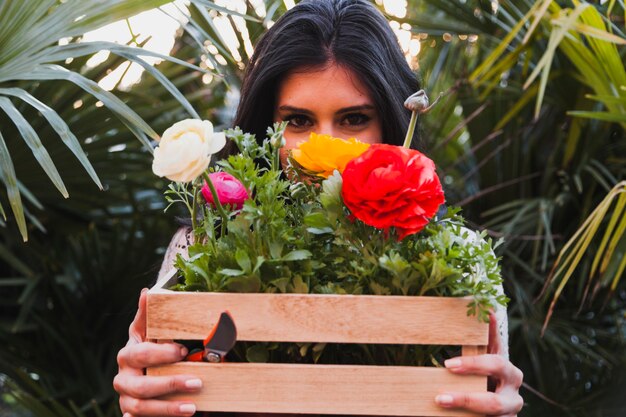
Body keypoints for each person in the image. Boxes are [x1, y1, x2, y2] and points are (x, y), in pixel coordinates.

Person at [113, 1, 524, 416]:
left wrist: (500, 406)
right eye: (298, 121)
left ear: (390, 124)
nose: (323, 148)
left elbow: (483, 388)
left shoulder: (458, 255)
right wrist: (140, 396)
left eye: (353, 120)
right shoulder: (201, 247)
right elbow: (169, 387)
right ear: (265, 129)